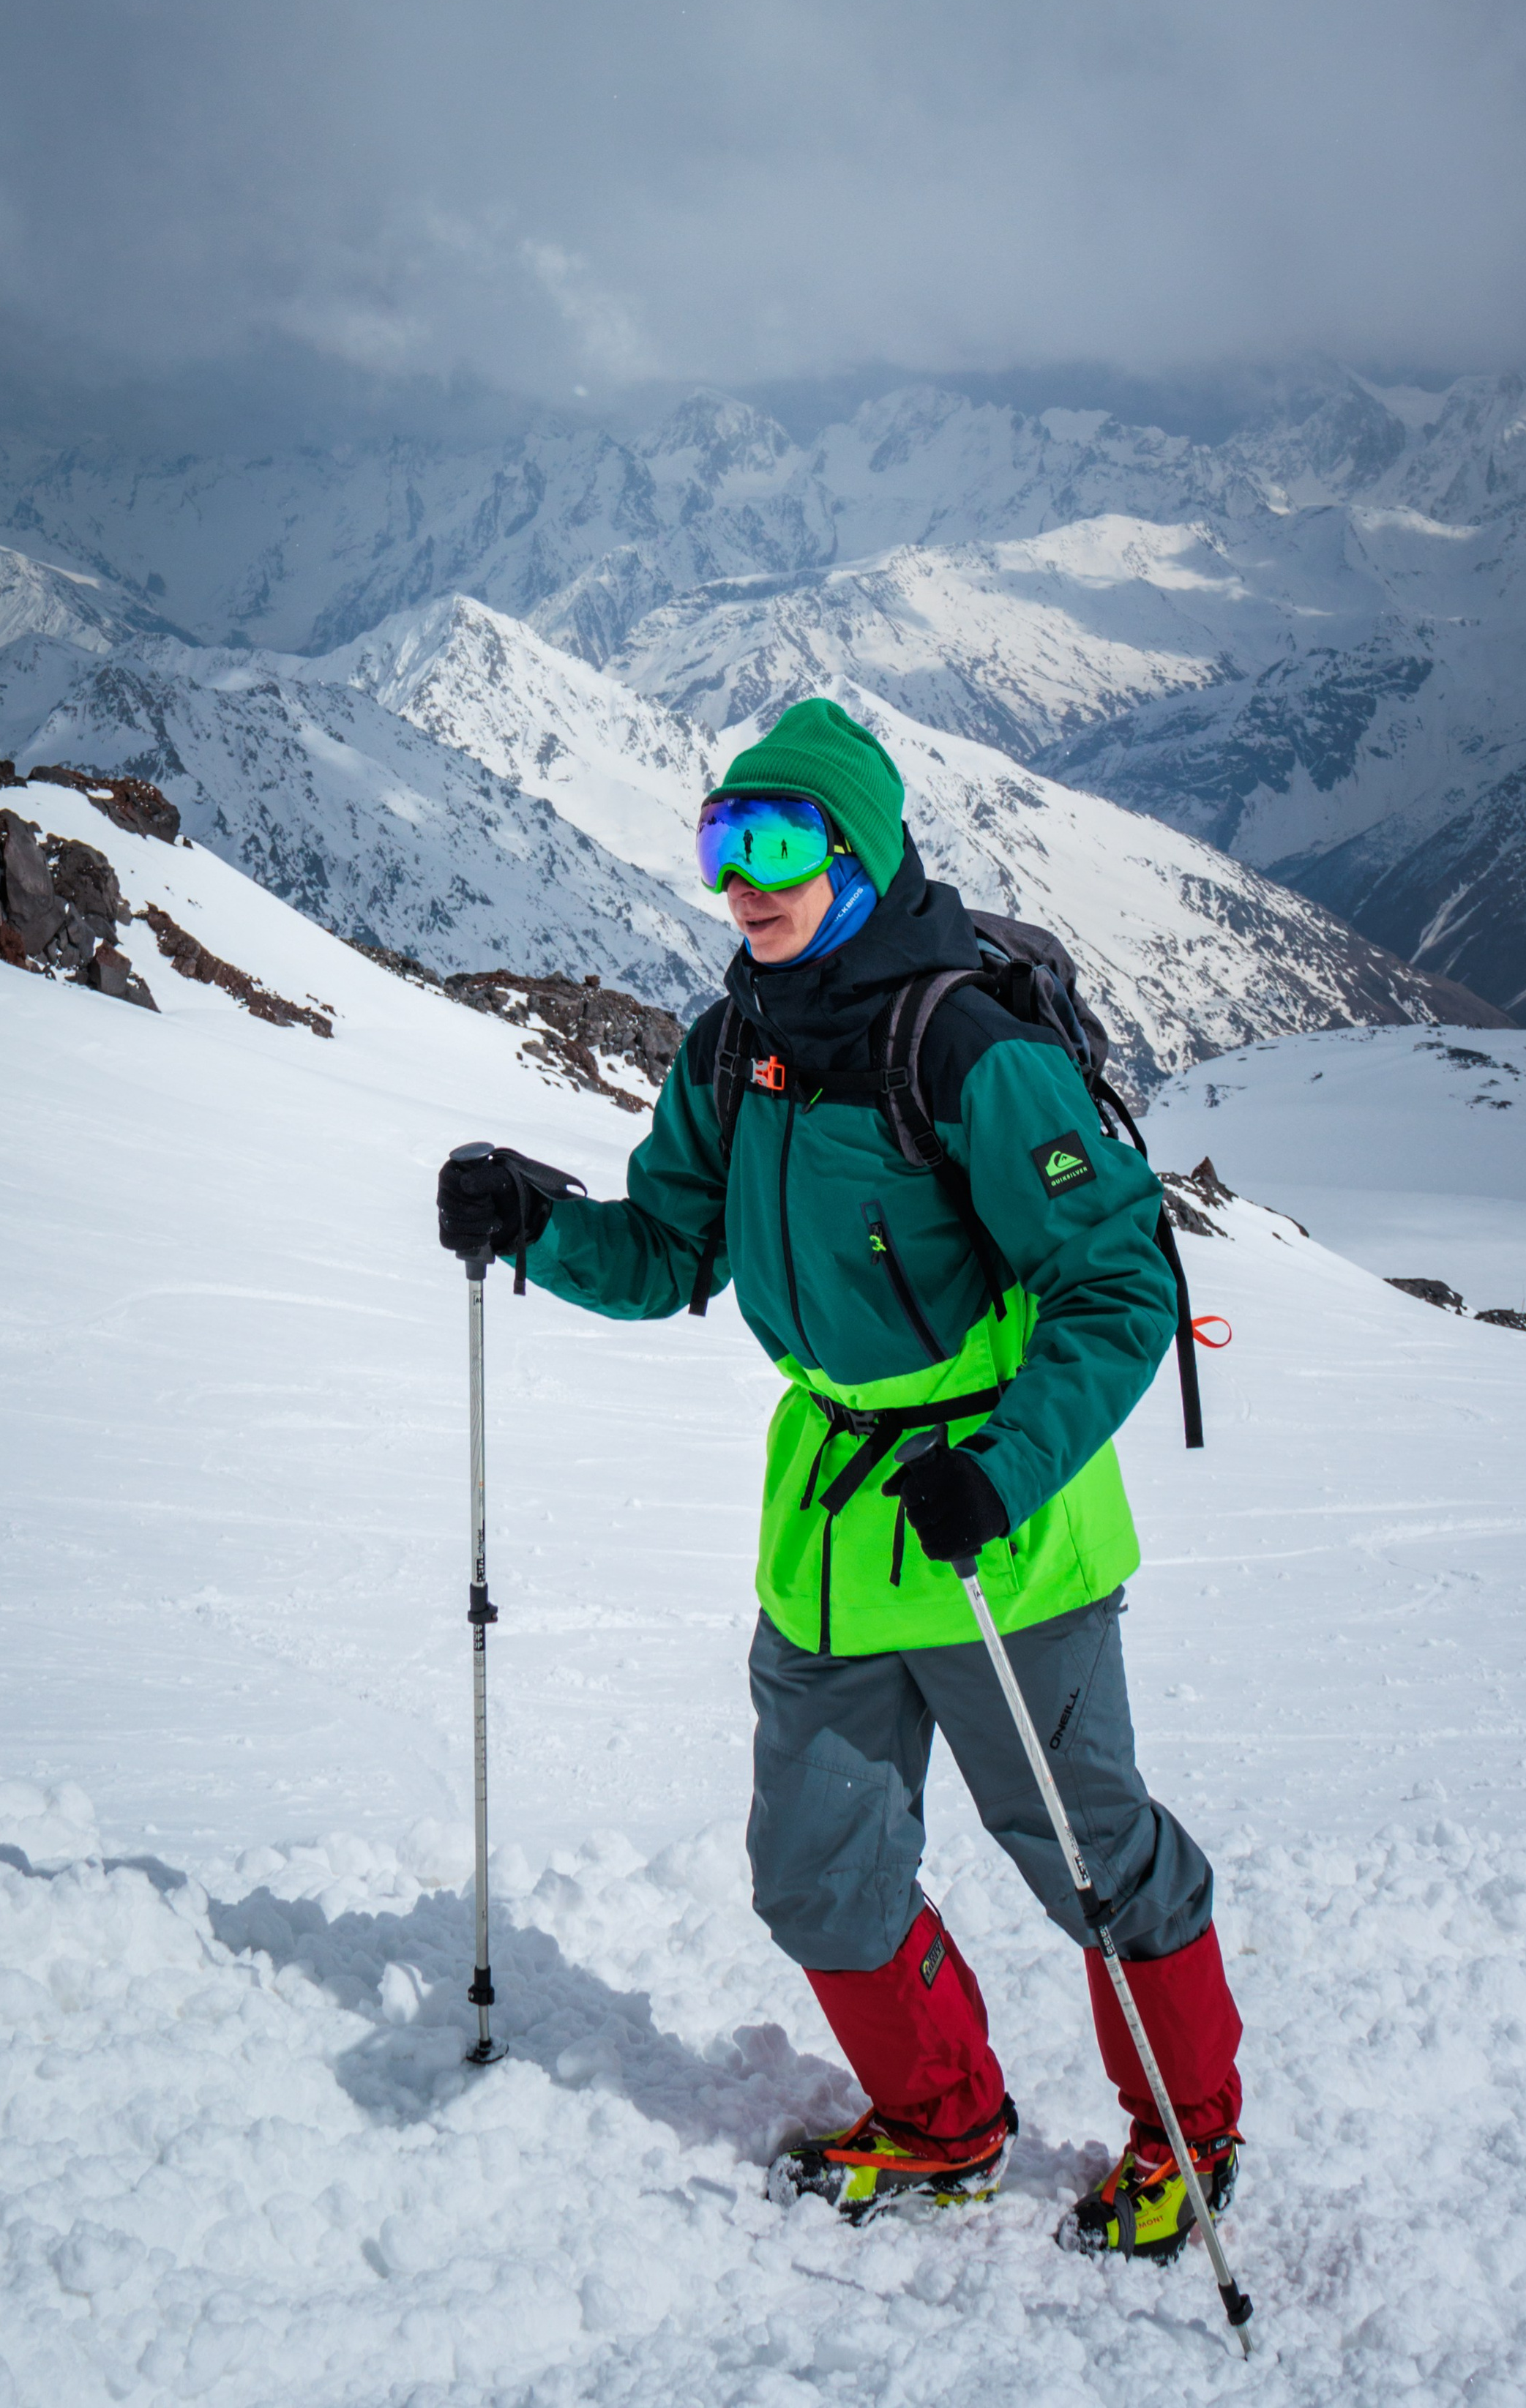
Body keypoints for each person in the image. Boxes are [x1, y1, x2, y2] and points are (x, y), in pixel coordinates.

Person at [438, 697, 1242, 2254]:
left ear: (857, 856)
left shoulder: (962, 1046)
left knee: (1091, 1861)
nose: (746, 877)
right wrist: (534, 1222)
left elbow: (1116, 1286)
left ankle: (1187, 2139)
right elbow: (671, 1252)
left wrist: (1002, 1468)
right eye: (721, 843)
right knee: (813, 1875)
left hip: (998, 1532)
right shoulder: (732, 1047)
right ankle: (941, 2123)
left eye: (783, 840)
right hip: (826, 1532)